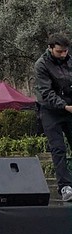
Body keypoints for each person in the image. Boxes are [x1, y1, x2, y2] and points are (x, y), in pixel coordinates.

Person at [34, 33, 72, 202]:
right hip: (50, 110)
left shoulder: (70, 59)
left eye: (65, 51)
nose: (63, 54)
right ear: (50, 49)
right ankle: (65, 186)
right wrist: (64, 105)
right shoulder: (41, 65)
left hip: (69, 107)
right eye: (59, 52)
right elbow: (46, 91)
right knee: (58, 148)